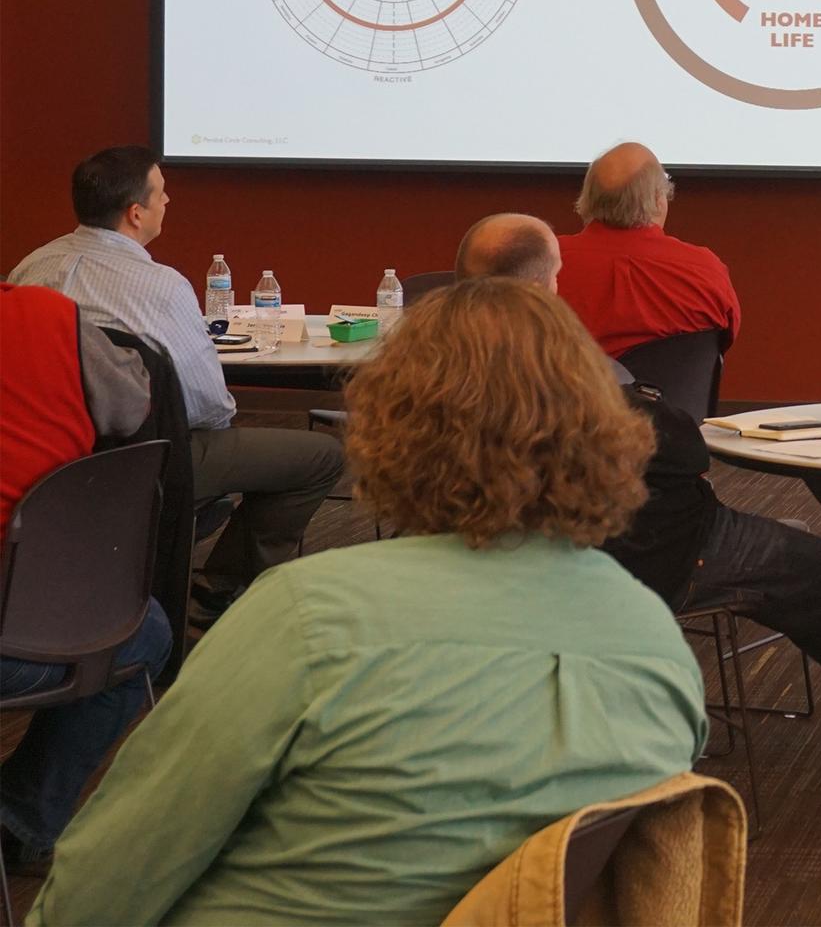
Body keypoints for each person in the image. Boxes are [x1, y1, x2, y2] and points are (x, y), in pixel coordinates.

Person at [27, 279, 709, 927]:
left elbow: (109, 880)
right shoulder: (655, 643)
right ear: (607, 430)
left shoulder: (306, 618)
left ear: (395, 425)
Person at [456, 212, 821, 777]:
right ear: (546, 286)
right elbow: (683, 452)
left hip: (508, 572)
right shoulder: (562, 372)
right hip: (656, 554)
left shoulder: (438, 369)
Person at [7, 147, 343, 610]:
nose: (168, 202)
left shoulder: (30, 268)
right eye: (162, 194)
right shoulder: (162, 287)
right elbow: (207, 407)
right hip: (149, 461)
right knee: (322, 457)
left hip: (47, 468)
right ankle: (221, 590)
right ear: (135, 213)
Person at [0, 283, 170, 879]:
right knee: (145, 634)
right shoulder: (51, 317)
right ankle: (23, 818)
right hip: (43, 618)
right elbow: (131, 406)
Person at [556, 141, 742, 359]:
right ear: (658, 199)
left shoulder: (546, 263)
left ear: (587, 198)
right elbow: (724, 338)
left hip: (571, 382)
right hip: (673, 383)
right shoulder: (705, 271)